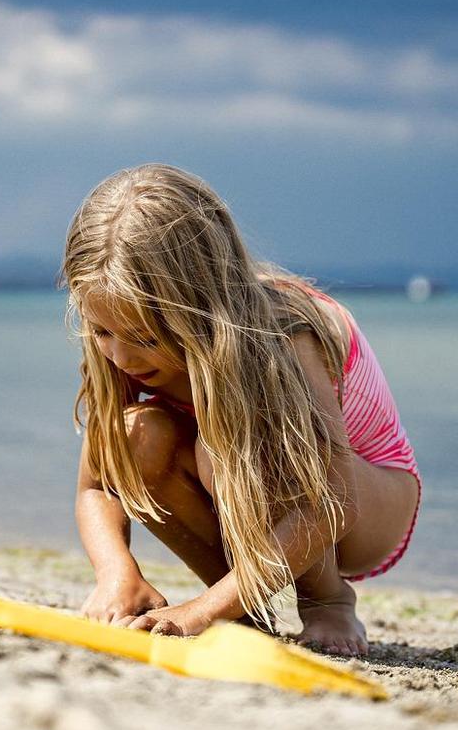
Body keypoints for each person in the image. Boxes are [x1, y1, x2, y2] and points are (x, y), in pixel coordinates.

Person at [60, 163, 421, 656]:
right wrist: (117, 574)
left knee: (227, 442)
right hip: (248, 490)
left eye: (144, 338)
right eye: (102, 333)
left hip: (364, 504)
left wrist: (201, 612)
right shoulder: (122, 325)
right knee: (132, 436)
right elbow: (97, 485)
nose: (121, 357)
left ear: (199, 307)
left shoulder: (285, 333)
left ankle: (327, 598)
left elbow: (332, 499)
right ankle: (243, 610)